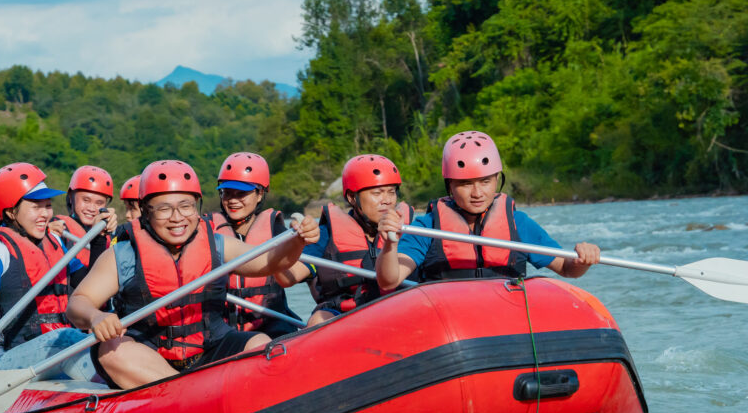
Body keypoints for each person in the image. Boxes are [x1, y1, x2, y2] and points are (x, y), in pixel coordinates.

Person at [67, 159, 320, 389]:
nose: (177, 218)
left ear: (197, 206)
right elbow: (78, 303)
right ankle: (187, 394)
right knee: (111, 351)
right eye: (164, 208)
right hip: (150, 356)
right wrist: (95, 316)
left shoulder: (217, 244)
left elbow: (269, 262)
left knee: (259, 344)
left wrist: (298, 241)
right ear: (146, 210)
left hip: (210, 348)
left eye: (185, 206)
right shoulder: (122, 254)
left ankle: (196, 393)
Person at [376, 131, 600, 290]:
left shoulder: (518, 223)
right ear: (450, 186)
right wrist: (390, 244)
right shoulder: (427, 227)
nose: (477, 193)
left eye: (485, 182)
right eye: (465, 184)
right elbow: (389, 281)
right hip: (451, 329)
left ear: (497, 180)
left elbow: (566, 269)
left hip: (504, 321)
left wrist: (582, 261)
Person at [0, 162, 94, 380]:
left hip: (49, 352)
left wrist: (100, 241)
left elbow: (89, 284)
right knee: (67, 339)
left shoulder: (56, 242)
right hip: (6, 359)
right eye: (36, 206)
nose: (45, 214)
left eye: (47, 205)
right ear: (11, 212)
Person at [288, 154, 414, 325]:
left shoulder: (412, 227)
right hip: (345, 316)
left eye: (391, 192)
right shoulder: (326, 233)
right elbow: (291, 275)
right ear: (352, 198)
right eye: (377, 193)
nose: (386, 200)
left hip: (398, 309)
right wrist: (294, 243)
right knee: (318, 320)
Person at [206, 152, 302, 338]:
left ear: (259, 194)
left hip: (271, 323)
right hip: (223, 328)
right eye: (227, 193)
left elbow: (291, 278)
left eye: (241, 193)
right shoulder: (207, 230)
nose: (233, 200)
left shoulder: (276, 229)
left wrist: (297, 242)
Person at [51, 165, 118, 278]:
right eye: (86, 200)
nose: (91, 208)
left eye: (99, 203)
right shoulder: (59, 228)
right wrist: (99, 238)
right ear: (71, 198)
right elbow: (83, 283)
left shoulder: (111, 235)